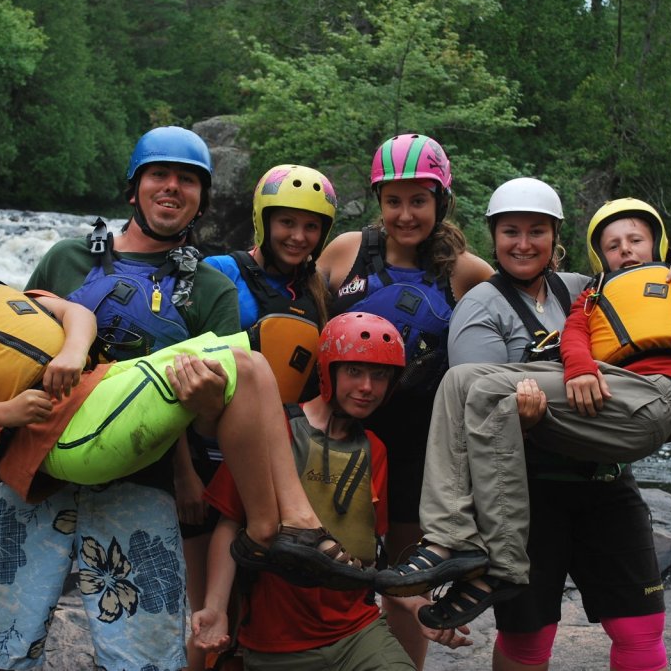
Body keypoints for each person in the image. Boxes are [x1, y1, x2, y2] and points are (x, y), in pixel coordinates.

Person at [0, 126, 366, 671]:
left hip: (144, 478)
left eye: (187, 180)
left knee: (144, 660)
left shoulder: (211, 288)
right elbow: (10, 358)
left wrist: (206, 409)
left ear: (201, 199)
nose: (171, 188)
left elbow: (213, 425)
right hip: (41, 467)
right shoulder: (66, 260)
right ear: (134, 188)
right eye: (158, 175)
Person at [377, 196, 671, 636]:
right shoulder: (593, 293)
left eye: (636, 240)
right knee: (460, 381)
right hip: (593, 423)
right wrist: (579, 369)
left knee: (476, 387)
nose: (626, 250)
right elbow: (574, 337)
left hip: (651, 401)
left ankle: (478, 552)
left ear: (658, 245)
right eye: (613, 245)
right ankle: (458, 544)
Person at [446, 179, 669, 671]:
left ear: (556, 237)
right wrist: (519, 422)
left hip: (607, 483)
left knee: (640, 629)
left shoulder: (584, 289)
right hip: (529, 497)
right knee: (529, 638)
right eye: (511, 232)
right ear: (494, 237)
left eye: (536, 232)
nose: (523, 244)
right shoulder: (480, 308)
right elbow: (475, 414)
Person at [191, 312, 472, 670]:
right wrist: (215, 608)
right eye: (354, 371)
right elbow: (229, 524)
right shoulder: (273, 429)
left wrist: (416, 604)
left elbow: (369, 560)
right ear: (328, 371)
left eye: (379, 375)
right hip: (277, 641)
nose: (367, 387)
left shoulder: (375, 449)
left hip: (357, 631)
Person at [318, 133, 493, 667]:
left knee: (403, 575)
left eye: (418, 200)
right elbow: (308, 325)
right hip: (345, 434)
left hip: (418, 445)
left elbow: (520, 309)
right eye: (393, 201)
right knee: (332, 565)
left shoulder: (465, 270)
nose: (405, 213)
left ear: (441, 202)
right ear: (378, 202)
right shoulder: (346, 251)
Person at [179, 163, 337, 670]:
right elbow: (180, 376)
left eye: (311, 226)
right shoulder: (220, 272)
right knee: (207, 610)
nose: (298, 236)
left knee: (254, 615)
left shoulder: (316, 290)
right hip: (209, 457)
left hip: (279, 461)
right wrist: (182, 471)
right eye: (286, 222)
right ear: (262, 221)